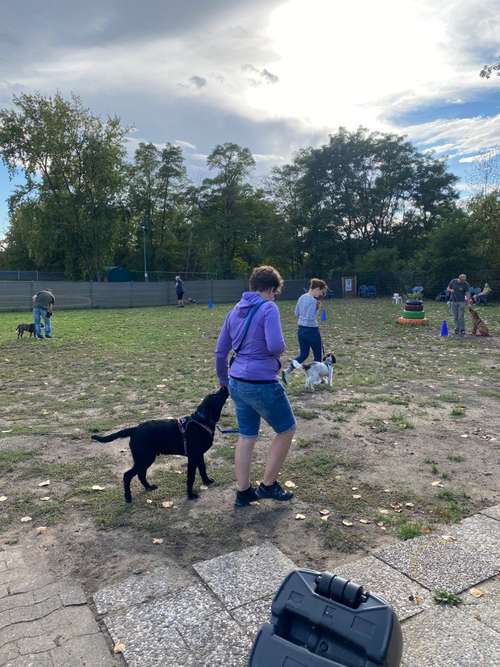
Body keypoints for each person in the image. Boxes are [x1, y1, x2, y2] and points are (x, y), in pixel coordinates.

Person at [215, 265, 296, 508]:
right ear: (272, 289)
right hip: (262, 382)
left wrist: (224, 380)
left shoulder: (234, 310)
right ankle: (268, 485)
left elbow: (220, 351)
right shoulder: (269, 307)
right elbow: (275, 346)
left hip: (237, 382)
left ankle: (243, 491)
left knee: (247, 435)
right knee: (287, 429)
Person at [282, 278, 328, 384]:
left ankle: (287, 371)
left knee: (303, 354)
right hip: (312, 330)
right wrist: (317, 308)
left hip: (301, 330)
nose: (321, 295)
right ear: (316, 289)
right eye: (321, 292)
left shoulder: (302, 297)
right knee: (318, 355)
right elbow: (311, 318)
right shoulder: (313, 301)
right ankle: (318, 379)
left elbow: (296, 313)